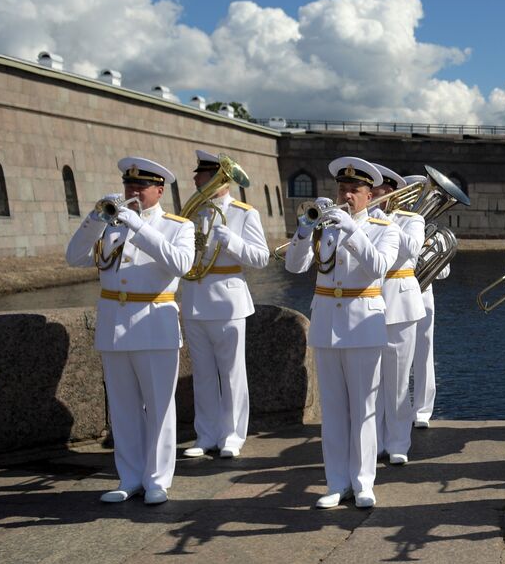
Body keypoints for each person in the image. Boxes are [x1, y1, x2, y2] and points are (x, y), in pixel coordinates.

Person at [65, 157, 194, 504]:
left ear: (159, 190)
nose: (133, 191)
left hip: (155, 322)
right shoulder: (110, 223)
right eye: (128, 185)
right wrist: (95, 219)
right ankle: (129, 477)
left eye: (140, 186)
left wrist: (138, 227)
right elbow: (74, 256)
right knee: (123, 408)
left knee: (159, 407)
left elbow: (182, 264)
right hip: (115, 323)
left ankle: (157, 480)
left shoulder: (177, 226)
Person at [283, 157, 400, 509]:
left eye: (354, 190)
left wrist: (351, 229)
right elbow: (294, 265)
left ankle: (363, 482)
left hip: (364, 323)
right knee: (333, 410)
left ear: (369, 196)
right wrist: (304, 231)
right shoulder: (325, 227)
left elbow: (378, 267)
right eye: (342, 189)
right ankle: (335, 482)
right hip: (327, 323)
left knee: (363, 408)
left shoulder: (384, 228)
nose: (346, 195)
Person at [180, 150, 269, 460]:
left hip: (229, 301)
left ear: (220, 178)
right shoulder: (192, 212)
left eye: (202, 175)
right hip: (194, 298)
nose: (195, 179)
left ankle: (232, 435)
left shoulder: (245, 213)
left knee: (232, 373)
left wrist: (231, 240)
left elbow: (261, 258)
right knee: (203, 373)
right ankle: (205, 434)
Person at [369, 164, 426, 466]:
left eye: (374, 192)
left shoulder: (411, 219)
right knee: (372, 381)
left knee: (399, 380)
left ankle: (398, 442)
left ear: (390, 192)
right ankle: (375, 441)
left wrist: (387, 223)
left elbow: (414, 248)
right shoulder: (363, 221)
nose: (369, 196)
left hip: (401, 303)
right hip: (369, 302)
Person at [404, 173, 450, 430]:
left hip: (422, 295)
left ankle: (422, 410)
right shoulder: (392, 225)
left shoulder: (436, 233)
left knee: (423, 353)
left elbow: (444, 272)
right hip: (394, 295)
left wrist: (426, 250)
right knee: (395, 357)